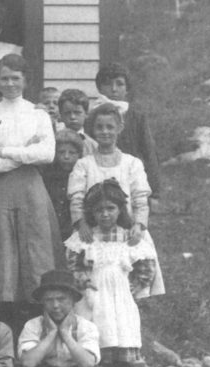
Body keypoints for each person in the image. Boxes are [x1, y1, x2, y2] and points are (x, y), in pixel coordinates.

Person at [65, 181, 164, 367]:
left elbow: (147, 266)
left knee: (122, 345)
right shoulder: (85, 237)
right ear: (92, 212)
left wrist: (131, 289)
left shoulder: (130, 237)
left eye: (110, 208)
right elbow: (72, 263)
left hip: (120, 301)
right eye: (99, 210)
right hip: (92, 298)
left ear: (120, 209)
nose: (105, 214)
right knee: (96, 343)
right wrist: (81, 279)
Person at [0, 54, 64, 303]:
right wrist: (28, 152)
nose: (10, 83)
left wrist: (4, 151)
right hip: (1, 190)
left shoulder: (38, 114)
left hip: (31, 188)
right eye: (4, 78)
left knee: (37, 250)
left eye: (15, 78)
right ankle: (6, 317)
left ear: (26, 80)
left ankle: (41, 313)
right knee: (4, 254)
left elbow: (46, 155)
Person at [68, 103, 151, 246]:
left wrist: (138, 225)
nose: (105, 131)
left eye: (110, 127)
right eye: (99, 127)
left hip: (128, 231)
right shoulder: (83, 165)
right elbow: (77, 198)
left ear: (120, 128)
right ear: (92, 129)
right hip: (91, 232)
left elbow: (140, 198)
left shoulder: (132, 163)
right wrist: (81, 224)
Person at [89, 63, 162, 206]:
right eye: (108, 84)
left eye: (119, 84)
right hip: (98, 177)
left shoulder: (136, 117)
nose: (114, 89)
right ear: (99, 88)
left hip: (130, 178)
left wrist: (155, 191)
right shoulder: (92, 115)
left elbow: (149, 152)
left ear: (127, 88)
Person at [42, 130, 84, 241]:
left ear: (79, 155)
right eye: (61, 152)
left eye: (72, 153)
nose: (66, 156)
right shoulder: (47, 176)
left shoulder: (82, 176)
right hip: (51, 230)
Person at [58, 88, 98, 156]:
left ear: (86, 113)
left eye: (77, 112)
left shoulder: (93, 145)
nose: (72, 117)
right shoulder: (56, 141)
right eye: (67, 113)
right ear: (61, 115)